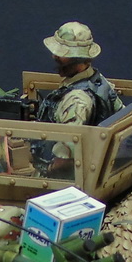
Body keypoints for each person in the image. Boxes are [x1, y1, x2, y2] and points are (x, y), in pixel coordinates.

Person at [34, 22, 124, 175]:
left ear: (78, 59)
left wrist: (43, 169)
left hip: (70, 175)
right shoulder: (98, 81)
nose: (54, 56)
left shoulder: (76, 101)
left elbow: (64, 159)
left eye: (62, 55)